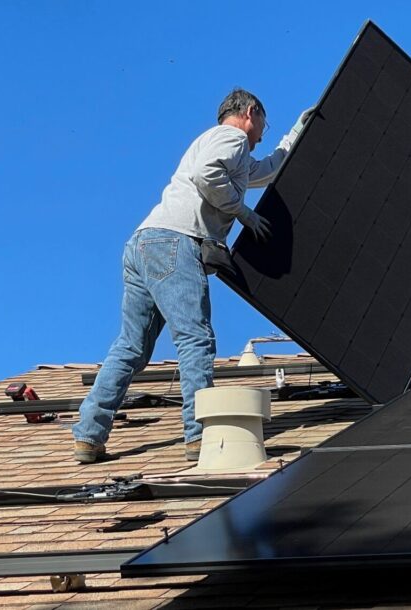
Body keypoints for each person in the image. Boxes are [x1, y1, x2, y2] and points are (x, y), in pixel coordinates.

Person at [72, 89, 314, 463]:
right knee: (195, 338)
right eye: (265, 123)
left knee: (131, 347)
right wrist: (244, 214)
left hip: (143, 243)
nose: (264, 132)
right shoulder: (230, 137)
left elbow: (266, 170)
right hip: (175, 242)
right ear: (251, 112)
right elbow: (207, 175)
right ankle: (199, 437)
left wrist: (297, 131)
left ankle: (88, 435)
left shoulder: (221, 146)